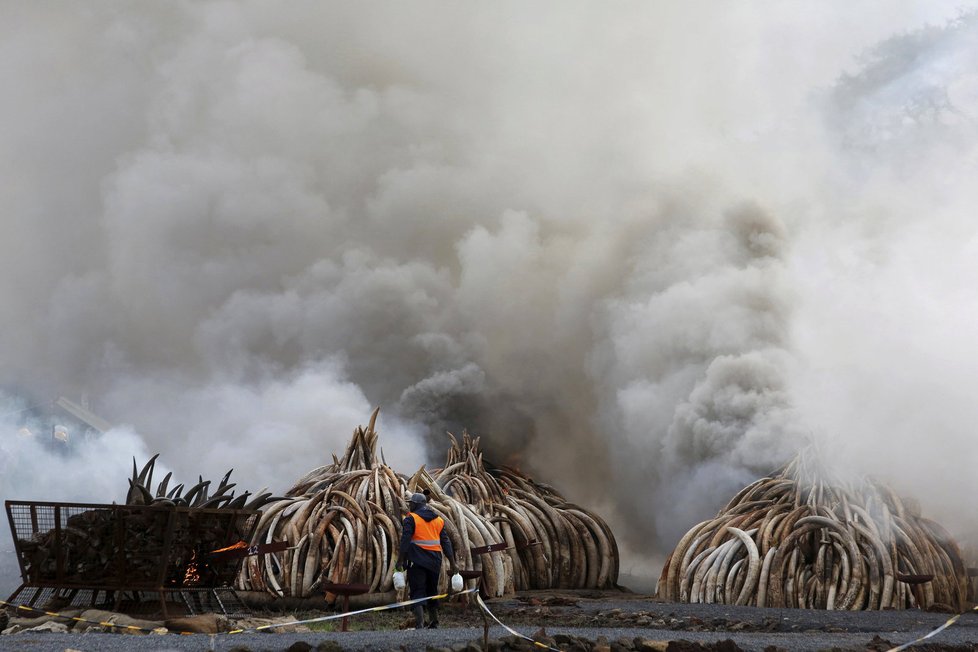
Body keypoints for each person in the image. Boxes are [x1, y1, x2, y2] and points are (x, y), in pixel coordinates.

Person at [396, 490, 457, 629]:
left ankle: (420, 624)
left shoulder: (411, 518)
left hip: (417, 560)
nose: (409, 506)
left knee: (417, 591)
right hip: (435, 561)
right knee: (432, 590)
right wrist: (453, 563)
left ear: (416, 505)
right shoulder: (438, 520)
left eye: (411, 504)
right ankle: (434, 622)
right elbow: (446, 542)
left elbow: (405, 541)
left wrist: (400, 560)